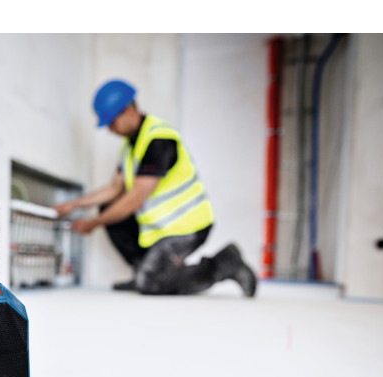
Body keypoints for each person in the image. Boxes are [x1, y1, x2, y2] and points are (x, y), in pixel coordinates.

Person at [55, 79, 257, 297]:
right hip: (160, 230)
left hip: (187, 227)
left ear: (128, 110)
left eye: (112, 123)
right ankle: (145, 270)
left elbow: (135, 198)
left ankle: (223, 263)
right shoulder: (129, 147)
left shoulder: (158, 139)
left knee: (150, 283)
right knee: (109, 210)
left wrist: (93, 223)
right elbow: (114, 188)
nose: (111, 130)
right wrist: (75, 204)